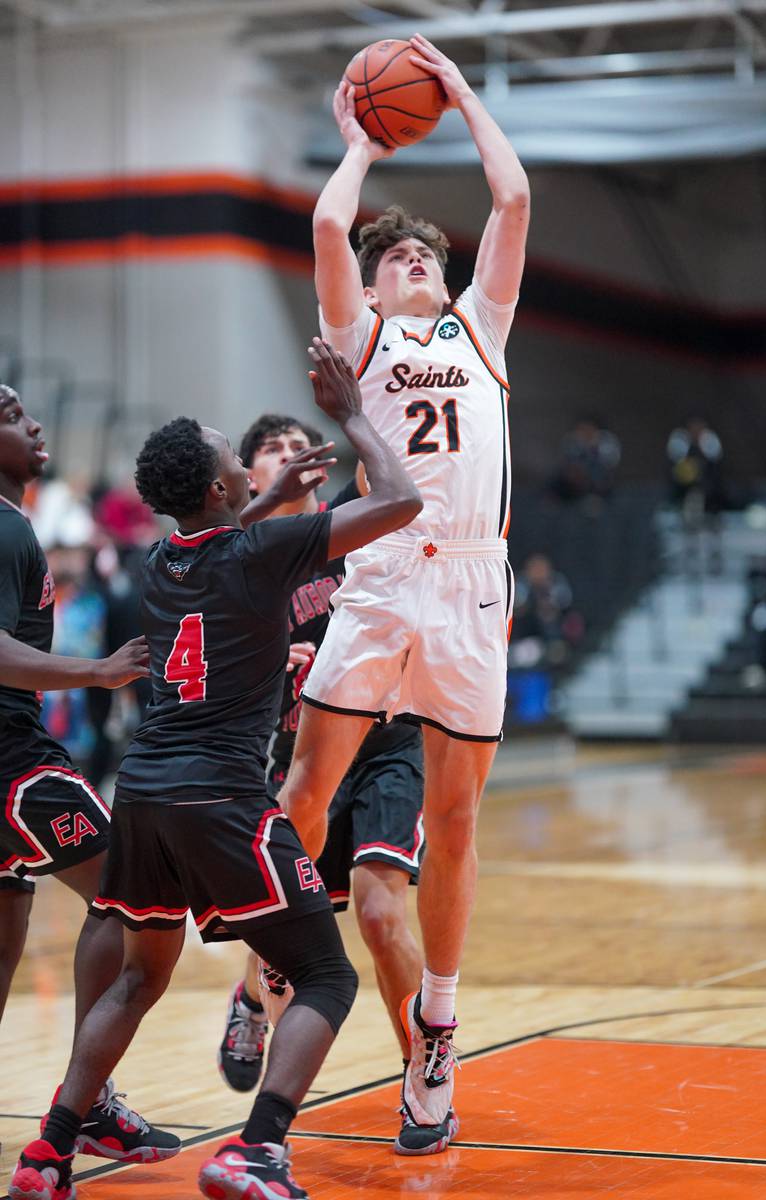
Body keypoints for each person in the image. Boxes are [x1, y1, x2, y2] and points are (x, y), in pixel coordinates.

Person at [10, 341, 422, 1200]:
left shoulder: (161, 564)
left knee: (137, 975)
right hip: (224, 797)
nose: (243, 460)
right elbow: (401, 499)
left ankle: (47, 1155)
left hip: (144, 795)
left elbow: (222, 536)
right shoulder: (263, 554)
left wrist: (262, 498)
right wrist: (352, 416)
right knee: (324, 973)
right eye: (234, 455)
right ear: (220, 490)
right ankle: (257, 1149)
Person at [277, 33, 530, 1153]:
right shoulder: (362, 333)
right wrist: (359, 141)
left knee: (457, 815)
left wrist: (462, 93)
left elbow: (512, 195)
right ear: (375, 287)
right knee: (301, 797)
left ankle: (435, 1024)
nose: (416, 263)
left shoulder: (481, 327)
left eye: (428, 256)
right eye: (402, 260)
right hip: (380, 579)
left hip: (473, 582)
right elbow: (332, 227)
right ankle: (272, 965)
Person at [218, 413, 431, 1151]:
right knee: (286, 927)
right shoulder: (239, 558)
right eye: (271, 448)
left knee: (379, 915)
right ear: (250, 476)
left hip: (383, 744)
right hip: (294, 760)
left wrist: (367, 387)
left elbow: (392, 465)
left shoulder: (350, 520)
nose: (288, 454)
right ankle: (251, 999)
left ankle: (423, 1083)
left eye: (296, 442)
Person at [0, 382, 180, 1165]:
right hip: (14, 765)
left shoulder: (16, 525)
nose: (33, 422)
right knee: (130, 890)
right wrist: (99, 672)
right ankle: (90, 1098)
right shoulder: (2, 530)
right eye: (9, 415)